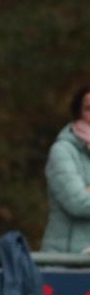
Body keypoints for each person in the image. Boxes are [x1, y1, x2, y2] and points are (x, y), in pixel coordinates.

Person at [41, 85, 90, 253]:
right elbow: (79, 203)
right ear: (78, 114)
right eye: (89, 109)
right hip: (66, 262)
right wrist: (84, 194)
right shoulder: (62, 150)